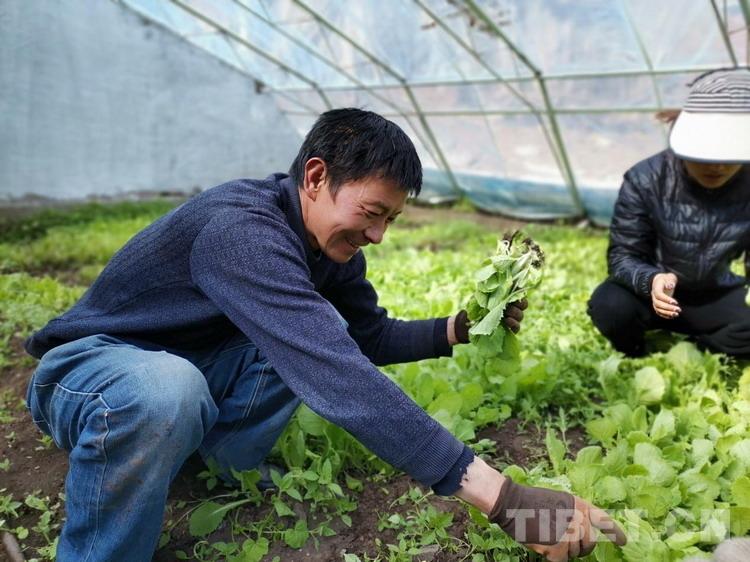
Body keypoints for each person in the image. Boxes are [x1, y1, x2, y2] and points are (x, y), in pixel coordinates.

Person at [25, 108, 625, 561]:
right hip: (90, 374)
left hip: (184, 368)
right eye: (372, 213)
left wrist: (457, 330)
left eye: (391, 219)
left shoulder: (330, 251)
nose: (380, 235)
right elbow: (335, 371)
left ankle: (212, 465)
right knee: (175, 387)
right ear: (316, 177)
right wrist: (506, 500)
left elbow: (367, 339)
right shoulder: (241, 230)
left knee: (291, 342)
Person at [588, 68, 750, 357]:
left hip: (714, 294)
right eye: (707, 155)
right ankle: (637, 351)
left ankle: (704, 347)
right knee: (610, 305)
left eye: (730, 157)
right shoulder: (645, 179)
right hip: (655, 293)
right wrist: (652, 280)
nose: (718, 167)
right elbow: (623, 256)